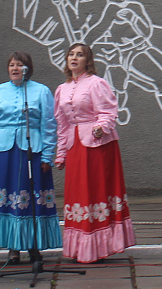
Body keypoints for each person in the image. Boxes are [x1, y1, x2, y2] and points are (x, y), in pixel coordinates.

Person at [54, 42, 135, 262]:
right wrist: (61, 154)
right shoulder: (62, 89)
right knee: (78, 194)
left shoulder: (96, 83)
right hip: (75, 147)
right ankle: (81, 247)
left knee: (96, 191)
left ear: (87, 61)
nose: (74, 58)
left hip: (98, 146)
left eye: (80, 55)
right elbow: (62, 124)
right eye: (71, 54)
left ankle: (101, 247)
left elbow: (108, 111)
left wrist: (101, 127)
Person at [0, 51, 61, 264]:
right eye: (12, 65)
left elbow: (49, 125)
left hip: (32, 151)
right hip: (2, 152)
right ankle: (12, 247)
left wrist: (48, 155)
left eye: (19, 65)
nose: (15, 68)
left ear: (27, 68)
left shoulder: (41, 91)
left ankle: (33, 245)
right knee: (7, 198)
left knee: (29, 198)